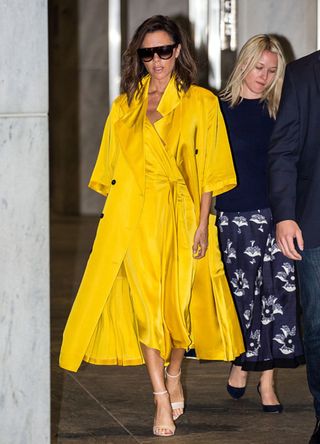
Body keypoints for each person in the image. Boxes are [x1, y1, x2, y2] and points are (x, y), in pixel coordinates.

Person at [59, 15, 244, 437]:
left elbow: (211, 173)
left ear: (177, 51)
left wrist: (202, 225)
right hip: (137, 220)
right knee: (147, 308)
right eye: (148, 52)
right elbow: (110, 173)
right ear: (138, 57)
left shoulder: (201, 102)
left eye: (164, 50)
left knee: (178, 308)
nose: (156, 60)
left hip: (182, 217)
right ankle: (159, 395)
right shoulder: (124, 106)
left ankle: (175, 372)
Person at [215, 34, 304, 413]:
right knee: (243, 299)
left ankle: (267, 381)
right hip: (233, 217)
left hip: (277, 216)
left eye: (271, 70)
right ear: (243, 64)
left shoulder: (281, 108)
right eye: (259, 68)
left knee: (277, 299)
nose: (264, 77)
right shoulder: (217, 109)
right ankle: (240, 359)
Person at [268, 49, 320, 443]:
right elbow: (283, 148)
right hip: (314, 222)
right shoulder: (304, 73)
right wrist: (284, 215)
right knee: (318, 327)